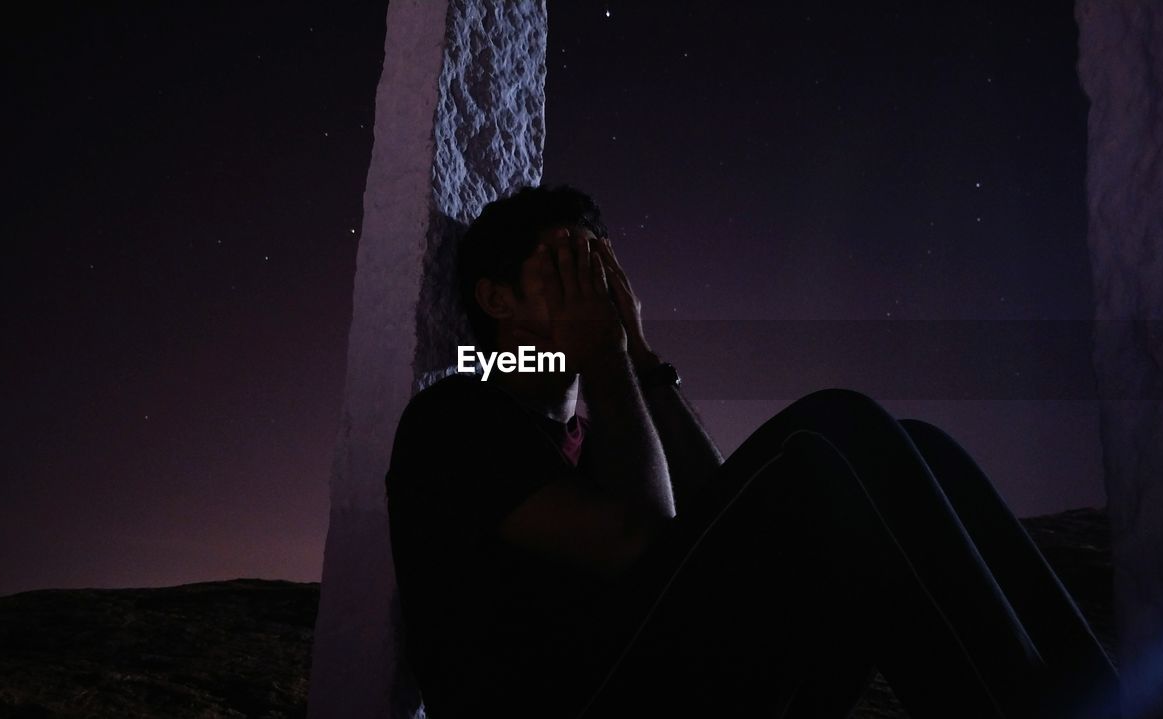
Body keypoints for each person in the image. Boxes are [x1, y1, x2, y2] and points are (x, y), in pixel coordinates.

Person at [385, 185, 1120, 719]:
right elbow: (644, 546)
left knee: (921, 450)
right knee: (832, 434)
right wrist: (608, 364)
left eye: (602, 267)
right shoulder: (454, 417)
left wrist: (641, 362)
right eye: (565, 268)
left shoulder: (608, 421)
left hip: (671, 680)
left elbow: (713, 513)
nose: (597, 289)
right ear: (497, 298)